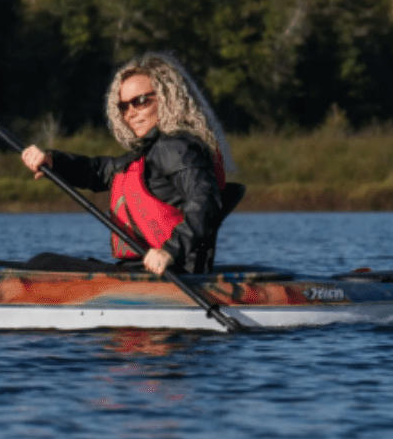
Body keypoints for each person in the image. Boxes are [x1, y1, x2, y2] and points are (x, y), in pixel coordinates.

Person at [21, 53, 239, 275]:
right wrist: (53, 161)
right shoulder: (148, 152)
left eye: (140, 101)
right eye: (124, 106)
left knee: (44, 263)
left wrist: (169, 251)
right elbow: (99, 171)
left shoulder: (176, 148)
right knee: (42, 262)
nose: (130, 113)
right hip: (143, 271)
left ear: (166, 99)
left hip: (173, 273)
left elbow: (206, 200)